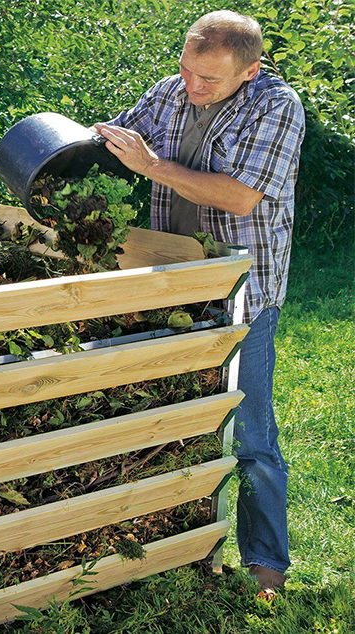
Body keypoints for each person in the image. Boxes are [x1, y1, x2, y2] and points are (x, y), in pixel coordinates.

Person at [92, 10, 305, 600]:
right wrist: (60, 154)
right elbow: (110, 144)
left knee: (251, 433)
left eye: (208, 80)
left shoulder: (276, 107)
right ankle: (180, 548)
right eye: (186, 72)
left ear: (250, 70)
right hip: (174, 286)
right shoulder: (169, 93)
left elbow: (240, 197)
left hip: (242, 290)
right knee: (172, 417)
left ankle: (265, 566)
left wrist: (152, 166)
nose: (192, 87)